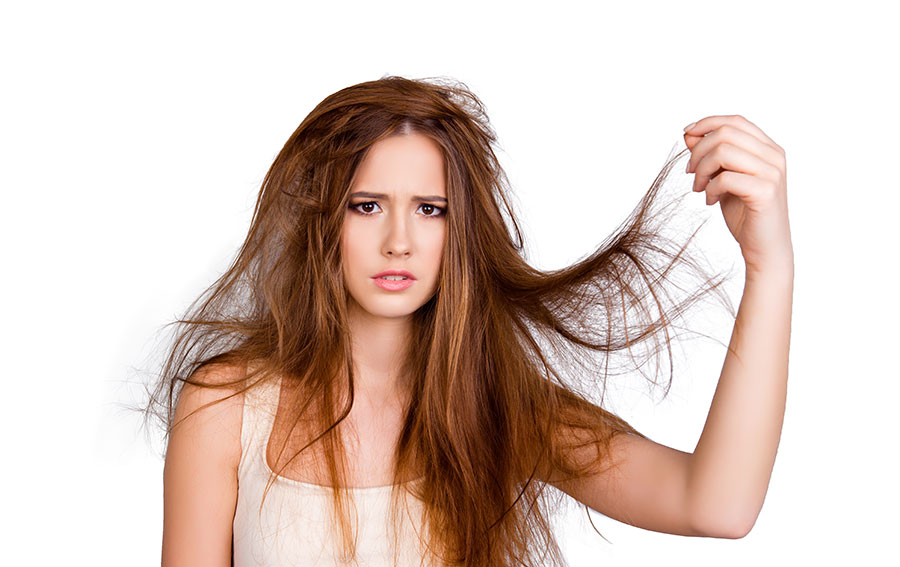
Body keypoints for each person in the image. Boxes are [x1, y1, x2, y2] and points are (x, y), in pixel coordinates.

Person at [146, 75, 794, 566]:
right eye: (367, 205)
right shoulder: (225, 409)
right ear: (323, 217)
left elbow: (716, 505)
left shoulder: (504, 409)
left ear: (460, 231)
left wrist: (770, 266)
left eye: (430, 209)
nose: (399, 240)